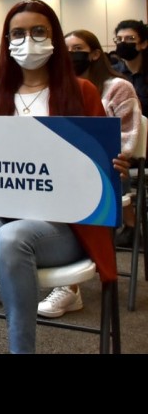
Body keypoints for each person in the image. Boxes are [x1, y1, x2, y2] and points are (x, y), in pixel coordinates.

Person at [0, 0, 120, 354]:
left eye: (39, 31)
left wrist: (112, 163)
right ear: (7, 40)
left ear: (53, 36)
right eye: (18, 33)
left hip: (65, 223)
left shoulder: (82, 92)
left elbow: (99, 161)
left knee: (12, 238)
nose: (28, 40)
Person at [35, 29, 141, 317]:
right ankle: (14, 267)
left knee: (70, 190)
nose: (70, 55)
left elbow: (127, 139)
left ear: (95, 54)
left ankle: (69, 287)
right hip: (60, 170)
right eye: (66, 49)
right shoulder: (55, 89)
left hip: (108, 170)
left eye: (77, 49)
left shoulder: (117, 87)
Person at [112, 19, 148, 113]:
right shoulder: (112, 73)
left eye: (130, 38)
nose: (123, 42)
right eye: (119, 39)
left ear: (143, 44)